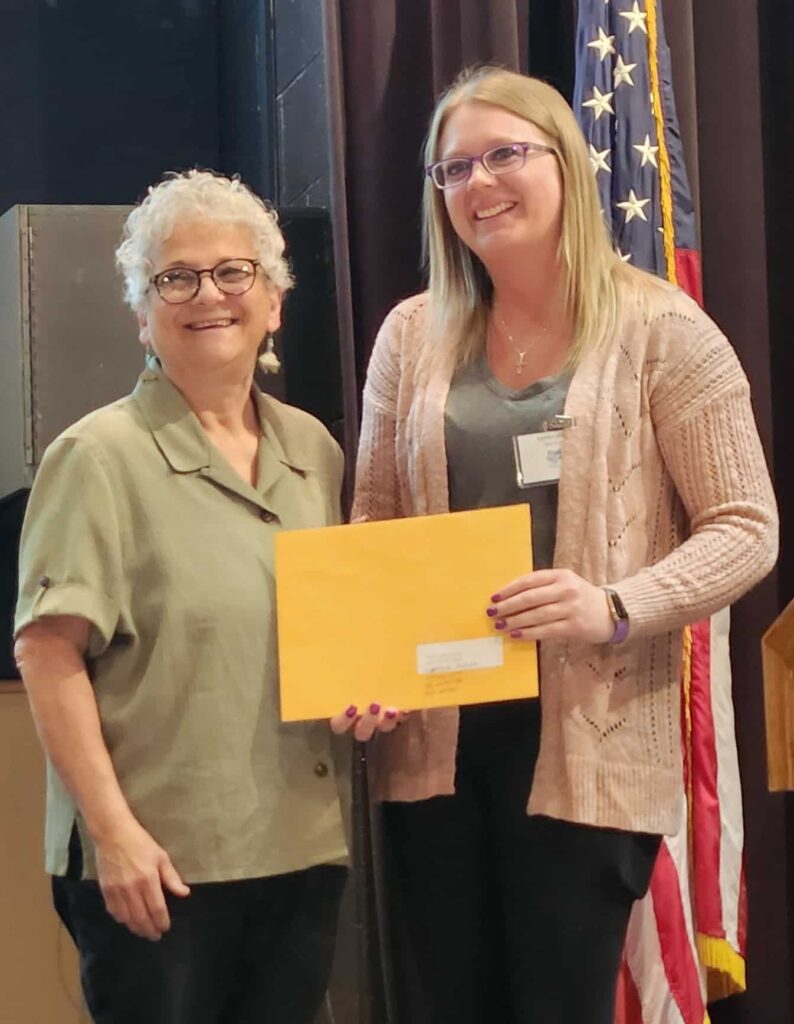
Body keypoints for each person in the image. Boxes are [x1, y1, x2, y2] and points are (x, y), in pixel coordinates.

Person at [332, 68, 778, 1024]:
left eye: (504, 155)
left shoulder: (663, 329)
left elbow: (747, 527)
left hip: (592, 740)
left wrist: (614, 607)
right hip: (435, 746)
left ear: (566, 166)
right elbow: (372, 524)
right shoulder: (410, 337)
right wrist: (363, 661)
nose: (479, 183)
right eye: (453, 168)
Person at [14, 170, 349, 1024]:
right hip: (156, 867)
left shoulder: (315, 450)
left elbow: (332, 633)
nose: (209, 295)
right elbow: (47, 654)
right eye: (177, 277)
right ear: (142, 313)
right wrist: (114, 834)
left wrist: (368, 691)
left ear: (274, 302)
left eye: (235, 272)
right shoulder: (96, 457)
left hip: (299, 848)